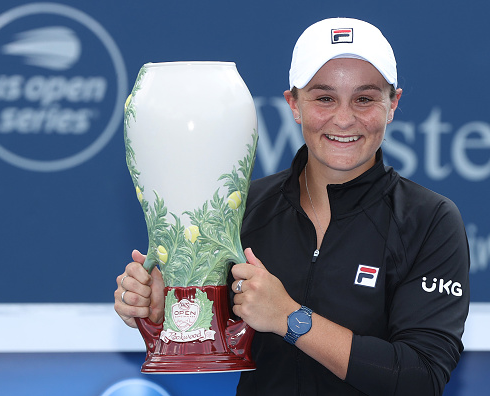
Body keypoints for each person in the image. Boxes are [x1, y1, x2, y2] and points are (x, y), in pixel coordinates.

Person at [115, 17, 470, 396]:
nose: (344, 118)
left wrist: (289, 317)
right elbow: (209, 337)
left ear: (392, 104)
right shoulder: (241, 209)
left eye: (364, 99)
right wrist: (165, 312)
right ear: (294, 104)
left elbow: (420, 378)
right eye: (324, 98)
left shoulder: (430, 220)